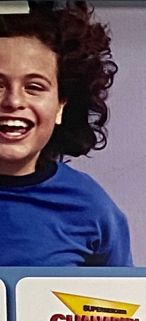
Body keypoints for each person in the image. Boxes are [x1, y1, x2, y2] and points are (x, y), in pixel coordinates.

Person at [0, 3, 130, 267]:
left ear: (61, 105)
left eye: (34, 87)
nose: (13, 101)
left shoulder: (90, 207)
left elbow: (125, 295)